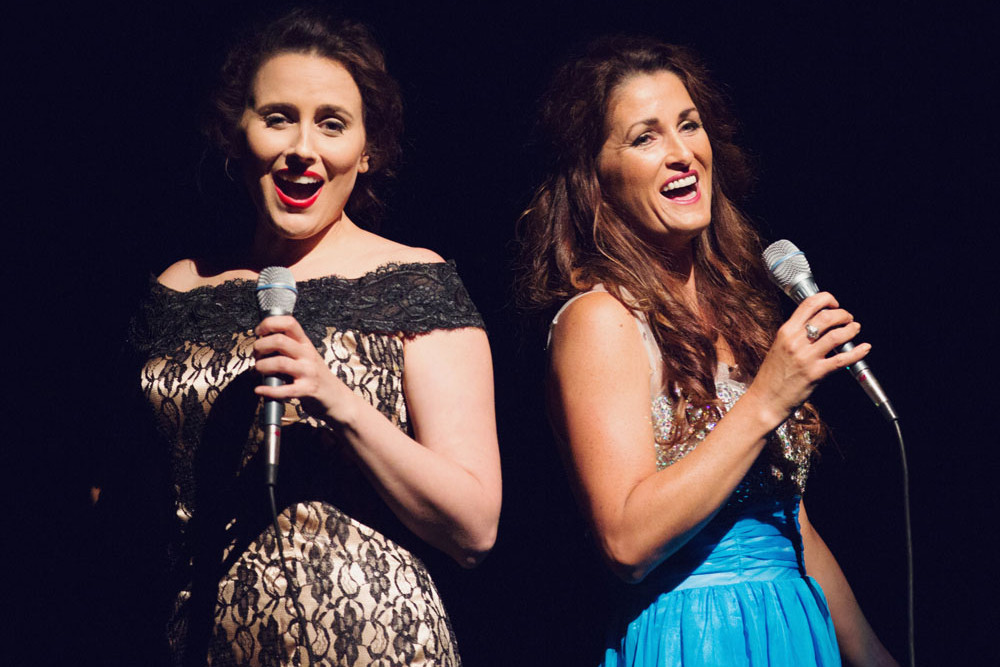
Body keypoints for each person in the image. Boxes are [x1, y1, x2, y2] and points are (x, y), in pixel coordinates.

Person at [96, 9, 501, 666]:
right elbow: (118, 493)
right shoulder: (180, 287)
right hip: (207, 642)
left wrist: (337, 400)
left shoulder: (413, 280)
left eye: (331, 122)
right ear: (238, 133)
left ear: (368, 149)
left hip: (378, 640)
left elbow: (475, 526)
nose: (302, 148)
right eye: (278, 117)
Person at [517, 35, 895, 666]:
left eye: (688, 125)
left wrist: (873, 656)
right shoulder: (599, 321)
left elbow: (788, 523)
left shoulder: (738, 311)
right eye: (646, 137)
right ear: (595, 180)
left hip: (795, 625)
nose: (681, 153)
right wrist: (768, 398)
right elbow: (626, 540)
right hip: (699, 634)